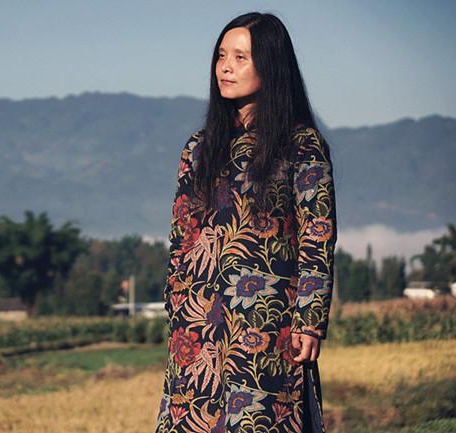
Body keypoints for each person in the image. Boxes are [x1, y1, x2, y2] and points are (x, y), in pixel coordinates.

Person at [155, 12, 336, 433]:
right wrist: (176, 305)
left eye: (240, 57)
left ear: (270, 66)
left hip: (267, 326)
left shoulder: (301, 144)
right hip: (198, 327)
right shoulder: (199, 149)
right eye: (221, 55)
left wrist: (310, 319)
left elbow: (317, 233)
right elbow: (181, 236)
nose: (225, 66)